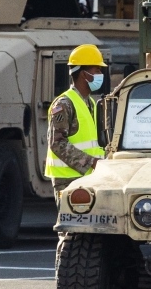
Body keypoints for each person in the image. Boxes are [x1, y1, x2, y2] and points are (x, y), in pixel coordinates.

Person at [47, 43, 109, 200]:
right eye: (97, 70)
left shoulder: (91, 103)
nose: (100, 74)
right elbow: (57, 143)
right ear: (84, 74)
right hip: (68, 181)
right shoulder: (63, 104)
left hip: (89, 178)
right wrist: (91, 162)